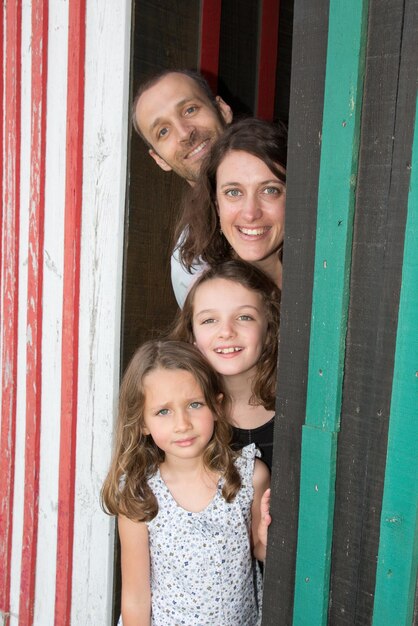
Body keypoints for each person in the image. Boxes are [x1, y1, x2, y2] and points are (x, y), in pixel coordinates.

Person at [101, 339, 271, 626]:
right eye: (163, 411)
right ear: (142, 422)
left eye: (194, 404)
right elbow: (136, 597)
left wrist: (269, 540)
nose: (182, 424)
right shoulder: (140, 494)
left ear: (216, 406)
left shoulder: (249, 476)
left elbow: (259, 549)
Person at [132, 69, 233, 305]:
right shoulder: (189, 261)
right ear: (159, 159)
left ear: (222, 110)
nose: (185, 133)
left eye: (190, 110)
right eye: (163, 131)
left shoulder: (300, 178)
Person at [170, 260, 280, 470]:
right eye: (209, 320)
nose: (226, 331)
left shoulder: (300, 407)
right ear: (192, 335)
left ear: (269, 331)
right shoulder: (180, 416)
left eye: (244, 317)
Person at [175, 118, 287, 305]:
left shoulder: (330, 279)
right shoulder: (208, 299)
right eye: (233, 192)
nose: (250, 214)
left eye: (269, 190)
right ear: (216, 205)